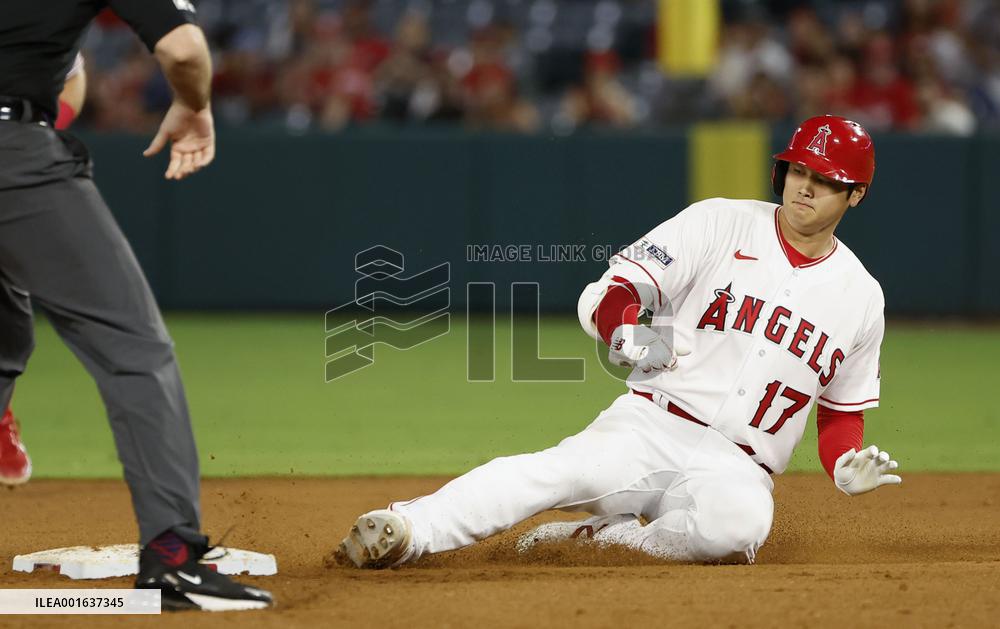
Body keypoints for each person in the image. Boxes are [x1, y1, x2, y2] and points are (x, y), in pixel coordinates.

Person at [337, 115, 901, 568]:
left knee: (736, 533)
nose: (806, 185)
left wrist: (842, 464)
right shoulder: (720, 223)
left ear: (856, 195)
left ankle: (606, 543)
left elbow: (840, 412)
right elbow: (617, 289)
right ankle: (411, 529)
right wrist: (627, 327)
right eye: (799, 169)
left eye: (825, 179)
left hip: (740, 466)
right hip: (650, 426)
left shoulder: (861, 296)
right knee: (553, 473)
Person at [1, 2, 272, 611]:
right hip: (13, 157)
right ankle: (174, 562)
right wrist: (195, 104)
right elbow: (183, 50)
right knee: (135, 351)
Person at [1, 53, 88, 488]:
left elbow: (74, 79)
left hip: (11, 165)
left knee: (13, 329)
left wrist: (43, 133)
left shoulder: (39, 14)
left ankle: (0, 413)